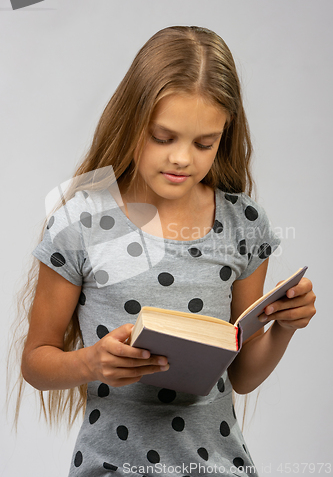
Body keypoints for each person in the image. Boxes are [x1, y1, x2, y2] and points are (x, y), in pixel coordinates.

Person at [18, 26, 316, 476]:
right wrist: (89, 362)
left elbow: (241, 375)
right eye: (163, 137)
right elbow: (36, 362)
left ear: (225, 136)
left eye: (204, 144)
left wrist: (284, 329)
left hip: (218, 466)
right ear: (132, 120)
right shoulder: (80, 222)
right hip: (111, 466)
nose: (182, 158)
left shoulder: (244, 225)